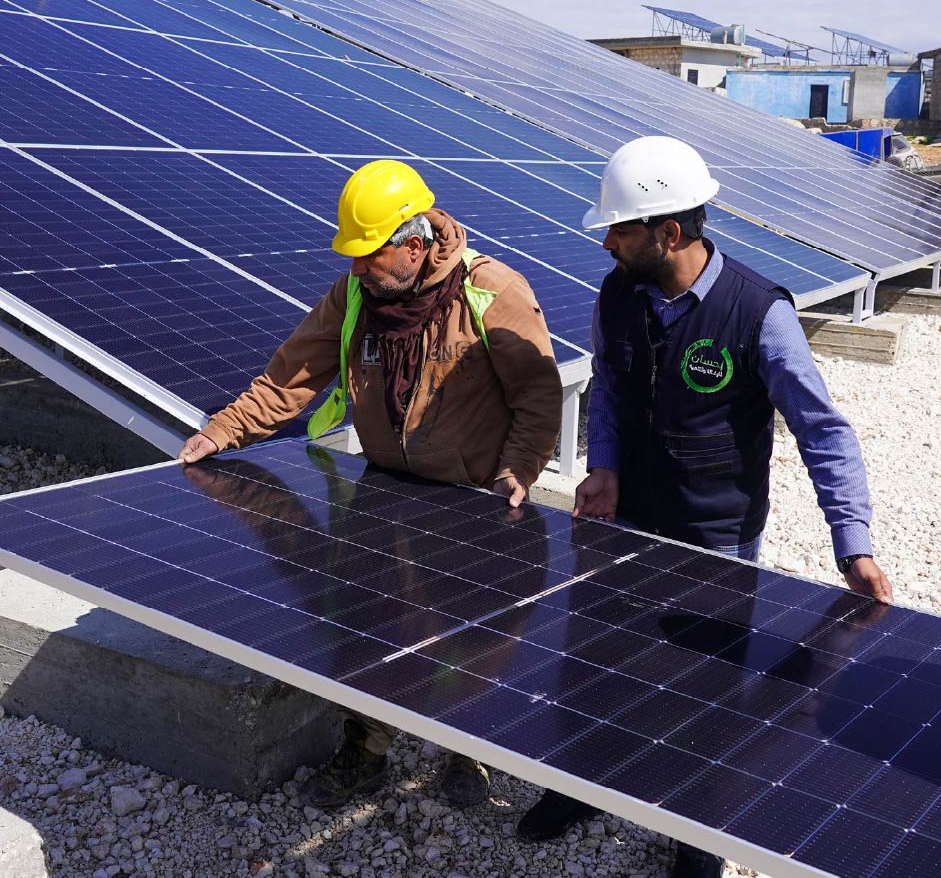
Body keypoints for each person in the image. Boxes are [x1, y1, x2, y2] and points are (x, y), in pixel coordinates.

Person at [515, 135, 891, 878]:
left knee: (702, 698)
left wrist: (853, 542)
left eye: (621, 229)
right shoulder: (618, 293)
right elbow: (614, 389)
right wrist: (608, 467)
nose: (609, 242)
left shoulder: (759, 314)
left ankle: (698, 841)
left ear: (671, 233)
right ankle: (583, 784)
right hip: (625, 525)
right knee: (597, 667)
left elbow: (822, 430)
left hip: (714, 540)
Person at [178, 158, 562, 811]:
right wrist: (223, 430)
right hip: (385, 494)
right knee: (372, 628)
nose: (356, 268)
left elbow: (538, 394)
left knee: (471, 636)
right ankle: (366, 749)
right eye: (352, 256)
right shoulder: (355, 295)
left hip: (474, 502)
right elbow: (290, 377)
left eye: (369, 255)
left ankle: (465, 747)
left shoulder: (490, 290)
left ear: (414, 247)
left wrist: (517, 470)